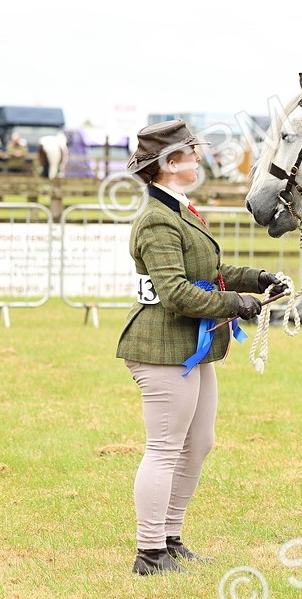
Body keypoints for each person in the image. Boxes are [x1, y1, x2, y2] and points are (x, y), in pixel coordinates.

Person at [116, 119, 284, 575]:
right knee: (166, 447)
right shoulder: (155, 220)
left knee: (199, 443)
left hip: (193, 344)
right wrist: (239, 303)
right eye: (190, 153)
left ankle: (170, 539)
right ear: (170, 165)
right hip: (162, 347)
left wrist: (257, 279)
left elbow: (209, 268)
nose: (198, 159)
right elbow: (176, 293)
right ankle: (149, 553)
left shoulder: (179, 209)